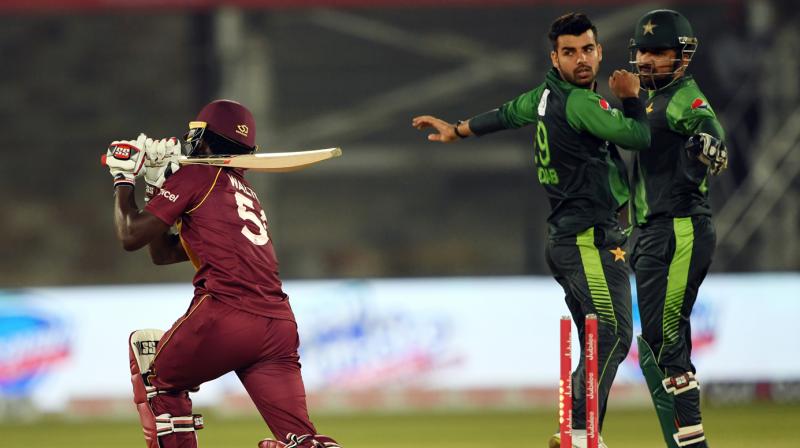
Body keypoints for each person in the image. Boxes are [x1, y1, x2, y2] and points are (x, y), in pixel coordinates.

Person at [412, 12, 650, 448]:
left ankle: (581, 434)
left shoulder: (543, 97)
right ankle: (578, 435)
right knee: (614, 336)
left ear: (599, 51)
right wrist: (631, 97)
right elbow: (639, 137)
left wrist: (459, 130)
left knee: (598, 343)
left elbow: (506, 114)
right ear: (554, 57)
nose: (580, 60)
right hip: (587, 242)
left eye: (586, 50)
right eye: (569, 52)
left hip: (570, 241)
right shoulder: (581, 102)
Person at [104, 99, 340, 448]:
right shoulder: (241, 191)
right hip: (278, 327)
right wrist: (156, 188)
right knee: (301, 438)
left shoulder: (199, 175)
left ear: (204, 138)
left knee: (157, 376)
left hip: (227, 315)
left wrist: (124, 178)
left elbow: (130, 236)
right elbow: (165, 253)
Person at [628, 9, 728, 448]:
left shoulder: (685, 97)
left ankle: (693, 446)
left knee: (669, 342)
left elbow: (711, 134)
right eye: (643, 51)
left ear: (682, 58)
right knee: (651, 344)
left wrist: (710, 146)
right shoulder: (648, 100)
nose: (647, 59)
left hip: (681, 229)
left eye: (659, 52)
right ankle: (681, 442)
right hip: (650, 232)